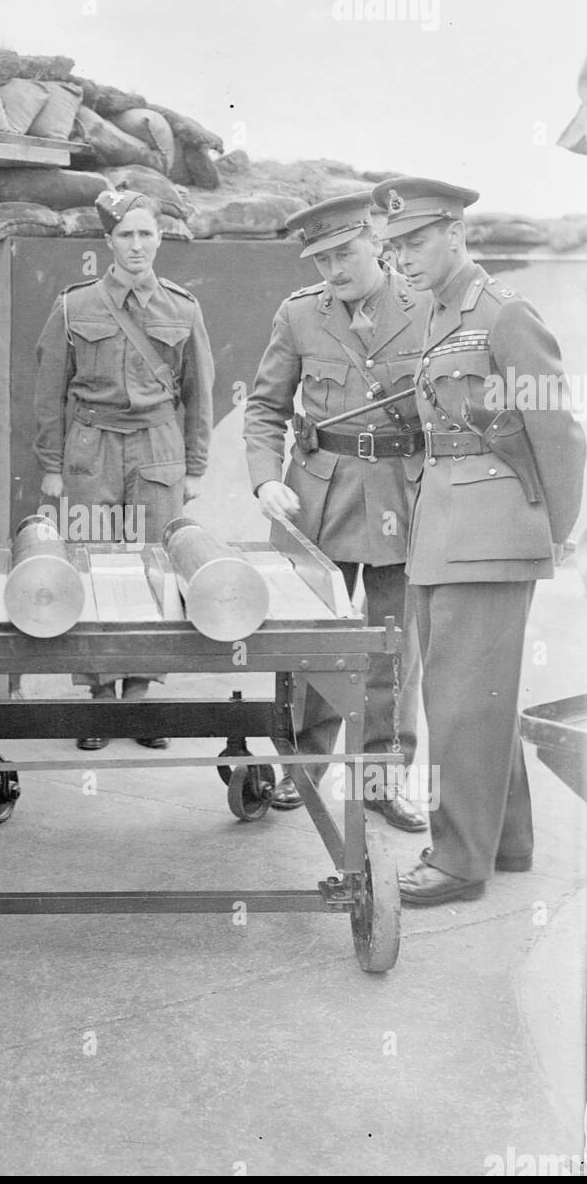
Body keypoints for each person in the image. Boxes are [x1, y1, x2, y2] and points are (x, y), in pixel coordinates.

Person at [371, 175, 585, 904]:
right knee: (472, 693)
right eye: (393, 245)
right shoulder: (439, 313)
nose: (401, 257)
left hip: (492, 533)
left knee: (461, 701)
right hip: (446, 529)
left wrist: (553, 534)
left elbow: (556, 427)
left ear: (456, 233)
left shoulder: (500, 312)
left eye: (415, 240)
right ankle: (508, 842)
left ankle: (459, 861)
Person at [243, 192, 427, 831]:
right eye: (321, 260)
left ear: (376, 241)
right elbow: (265, 409)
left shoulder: (424, 308)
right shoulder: (299, 316)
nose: (334, 271)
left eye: (345, 253)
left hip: (404, 498)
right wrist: (266, 481)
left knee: (393, 650)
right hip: (318, 497)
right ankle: (301, 771)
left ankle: (383, 779)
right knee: (314, 646)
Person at [33, 189, 215, 750]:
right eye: (125, 235)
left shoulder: (183, 307)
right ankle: (100, 697)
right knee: (89, 564)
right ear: (108, 241)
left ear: (160, 239)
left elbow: (199, 391)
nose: (136, 246)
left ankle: (139, 694)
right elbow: (47, 390)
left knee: (157, 566)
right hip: (92, 446)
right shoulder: (75, 305)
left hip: (159, 446)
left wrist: (195, 465)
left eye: (146, 234)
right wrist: (52, 465)